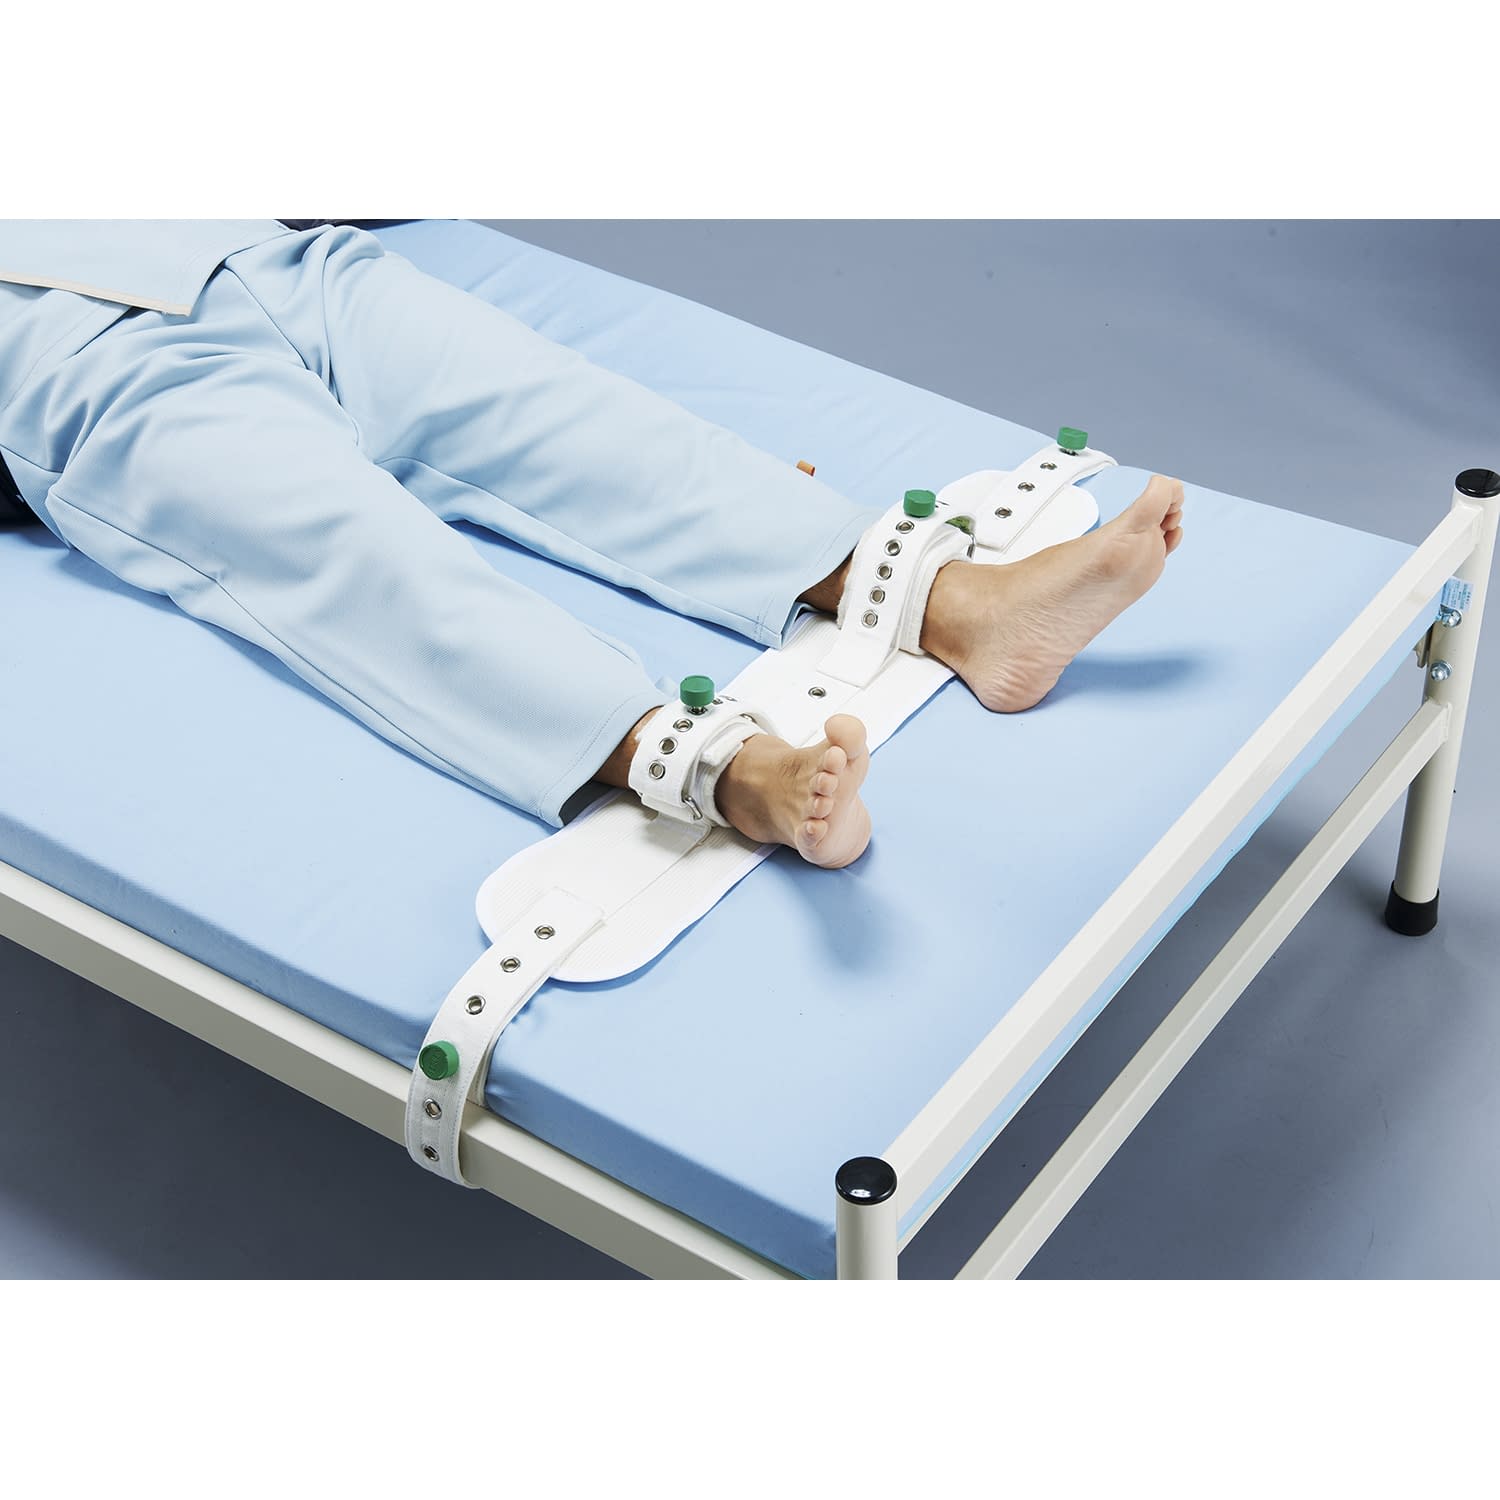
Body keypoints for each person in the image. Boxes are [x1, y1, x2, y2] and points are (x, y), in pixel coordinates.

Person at [0, 221, 1184, 870]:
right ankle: (722, 771)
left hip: (255, 250)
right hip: (81, 372)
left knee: (569, 415)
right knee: (354, 561)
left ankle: (963, 604)